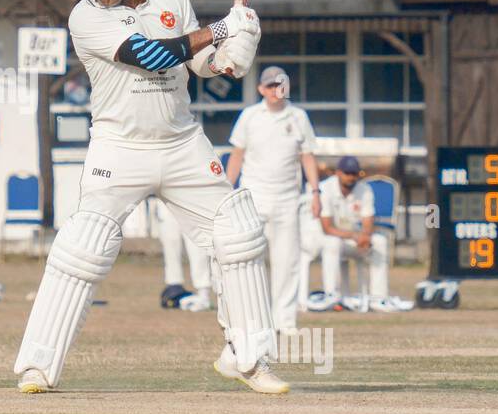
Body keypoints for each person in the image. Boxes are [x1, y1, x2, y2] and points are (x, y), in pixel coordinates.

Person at [13, 0, 287, 395]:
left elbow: (201, 64)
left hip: (182, 143)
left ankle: (248, 357)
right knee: (84, 246)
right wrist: (219, 28)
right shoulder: (85, 17)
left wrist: (236, 47)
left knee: (239, 233)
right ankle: (38, 366)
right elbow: (151, 56)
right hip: (119, 147)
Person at [226, 66, 320, 335]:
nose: (275, 91)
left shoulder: (298, 117)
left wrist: (315, 192)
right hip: (253, 196)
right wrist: (225, 190)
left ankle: (285, 321)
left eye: (279, 85)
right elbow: (237, 155)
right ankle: (253, 320)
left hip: (288, 198)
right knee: (249, 259)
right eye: (269, 86)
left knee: (287, 261)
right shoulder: (249, 116)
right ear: (260, 89)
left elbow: (308, 156)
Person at [318, 156, 392, 310]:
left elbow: (368, 221)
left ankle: (378, 298)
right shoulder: (325, 188)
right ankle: (332, 295)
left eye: (354, 173)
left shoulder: (365, 189)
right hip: (329, 238)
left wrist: (365, 236)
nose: (351, 177)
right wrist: (354, 235)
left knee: (380, 242)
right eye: (347, 173)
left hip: (354, 240)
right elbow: (327, 228)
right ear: (338, 173)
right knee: (332, 243)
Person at [156, 200, 214, 310]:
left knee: (196, 244)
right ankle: (174, 289)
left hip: (189, 196)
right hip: (164, 197)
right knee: (170, 241)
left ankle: (203, 293)